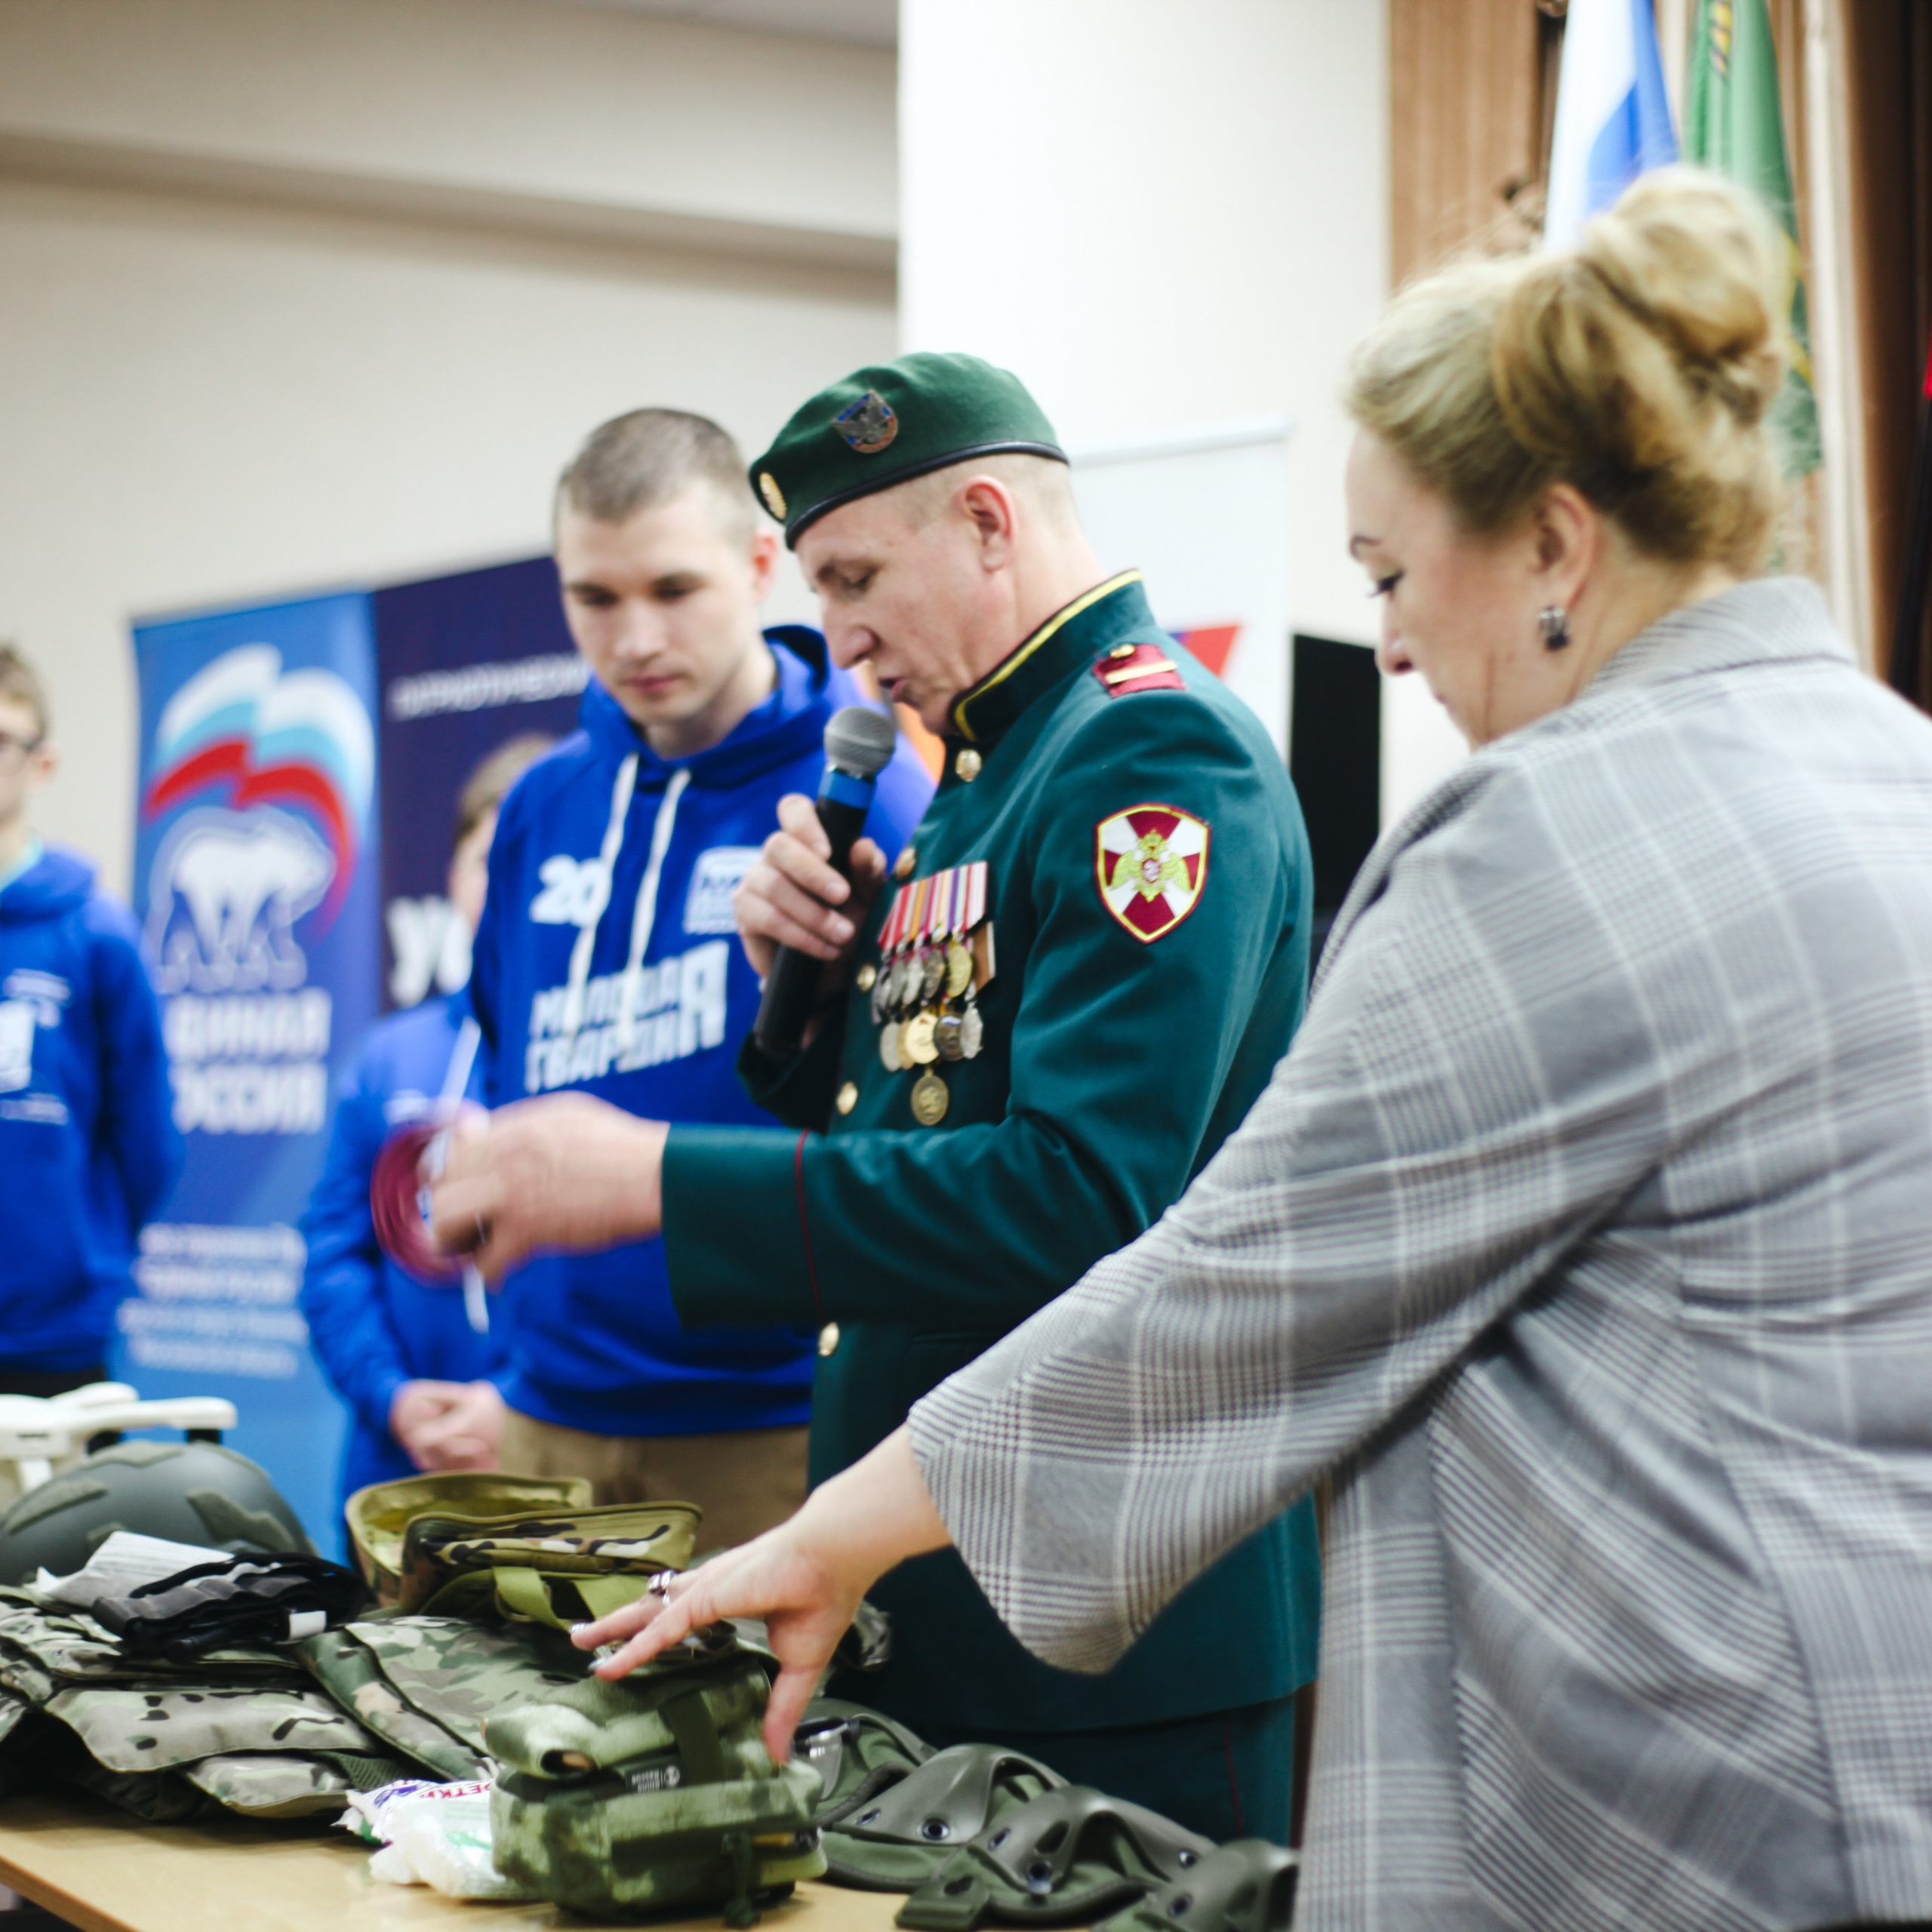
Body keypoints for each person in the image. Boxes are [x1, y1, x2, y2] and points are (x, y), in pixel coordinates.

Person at [574, 173, 1932, 1931]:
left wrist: (839, 1519)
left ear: (1552, 546)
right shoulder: (1886, 766)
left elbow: (1230, 1271)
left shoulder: (1530, 827)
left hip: (1668, 1767)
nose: (1377, 637)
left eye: (1383, 570)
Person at [432, 355, 1325, 1844]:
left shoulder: (1143, 751)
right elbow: (915, 1112)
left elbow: (1075, 1196)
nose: (835, 635)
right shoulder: (989, 759)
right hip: (949, 1580)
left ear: (986, 519)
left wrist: (655, 1176)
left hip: (1108, 1621)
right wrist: (808, 995)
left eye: (851, 575)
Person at [469, 408, 931, 1552]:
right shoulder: (540, 805)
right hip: (544, 1416)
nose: (634, 638)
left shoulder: (870, 784)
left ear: (761, 565)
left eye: (674, 590)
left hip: (770, 1425)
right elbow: (504, 1053)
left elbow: (918, 1132)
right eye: (596, 597)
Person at [300, 735, 550, 1521]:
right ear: (452, 877)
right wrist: (392, 1395)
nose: (506, 883)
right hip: (394, 1473)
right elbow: (333, 1253)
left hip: (550, 1466)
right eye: (487, 858)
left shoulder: (609, 1058)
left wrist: (515, 1400)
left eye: (534, 858)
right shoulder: (389, 1055)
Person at [0, 645, 179, 1397]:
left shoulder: (96, 931)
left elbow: (147, 1141)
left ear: (42, 763)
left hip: (54, 1339)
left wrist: (81, 1251)